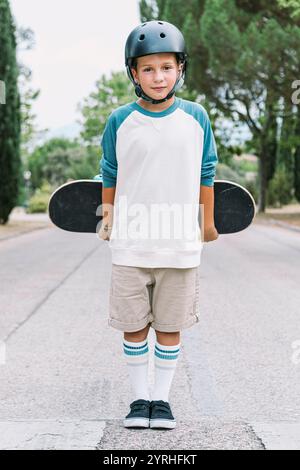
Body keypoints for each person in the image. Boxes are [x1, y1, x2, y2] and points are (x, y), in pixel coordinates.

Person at [99, 20, 219, 430]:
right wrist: (109, 219)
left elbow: (207, 170)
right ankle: (139, 399)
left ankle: (161, 402)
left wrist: (208, 223)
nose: (158, 76)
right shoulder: (119, 120)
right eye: (148, 69)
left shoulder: (196, 117)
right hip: (131, 244)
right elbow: (109, 171)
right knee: (133, 326)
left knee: (169, 326)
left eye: (166, 67)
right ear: (133, 73)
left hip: (179, 244)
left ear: (180, 69)